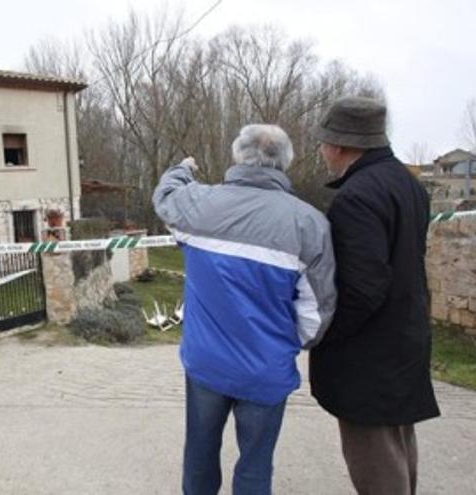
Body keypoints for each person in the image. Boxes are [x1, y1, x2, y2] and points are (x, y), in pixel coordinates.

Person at [153, 124, 337, 495]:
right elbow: (316, 313)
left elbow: (165, 195)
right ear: (284, 162)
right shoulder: (309, 223)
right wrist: (287, 343)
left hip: (206, 363)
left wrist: (184, 168)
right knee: (255, 465)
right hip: (266, 369)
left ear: (238, 155)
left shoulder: (198, 204)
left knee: (200, 453)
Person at [309, 96, 440, 495]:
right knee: (398, 444)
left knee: (375, 458)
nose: (322, 150)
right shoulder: (407, 184)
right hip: (404, 338)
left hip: (369, 355)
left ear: (341, 144)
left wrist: (326, 332)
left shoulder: (357, 197)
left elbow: (363, 287)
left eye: (324, 141)